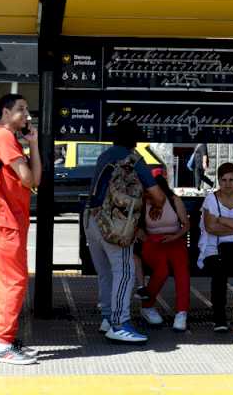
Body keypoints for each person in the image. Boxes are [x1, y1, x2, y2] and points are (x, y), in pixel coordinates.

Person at [86, 120, 165, 345]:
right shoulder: (134, 159)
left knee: (106, 274)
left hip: (91, 219)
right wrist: (156, 205)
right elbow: (158, 195)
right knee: (125, 273)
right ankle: (120, 324)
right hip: (115, 225)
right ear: (135, 140)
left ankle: (108, 318)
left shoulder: (104, 156)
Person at [0, 94, 42, 365]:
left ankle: (5, 339)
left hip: (9, 219)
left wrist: (34, 145)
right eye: (20, 109)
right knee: (13, 282)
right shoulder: (3, 138)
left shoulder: (3, 137)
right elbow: (29, 178)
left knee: (11, 281)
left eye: (27, 109)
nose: (26, 115)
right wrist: (31, 150)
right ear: (5, 112)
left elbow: (34, 180)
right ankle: (3, 344)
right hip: (6, 220)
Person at [139, 170, 191, 332]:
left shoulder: (174, 200)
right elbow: (138, 228)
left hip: (174, 240)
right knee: (161, 269)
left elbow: (186, 225)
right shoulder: (143, 203)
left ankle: (182, 312)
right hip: (153, 242)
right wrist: (147, 239)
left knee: (182, 269)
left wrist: (175, 236)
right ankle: (147, 306)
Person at [199, 162, 233, 332]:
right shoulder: (211, 199)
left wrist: (223, 220)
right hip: (214, 249)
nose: (227, 184)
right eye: (224, 180)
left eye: (232, 180)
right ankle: (219, 318)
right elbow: (211, 228)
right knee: (219, 272)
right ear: (218, 180)